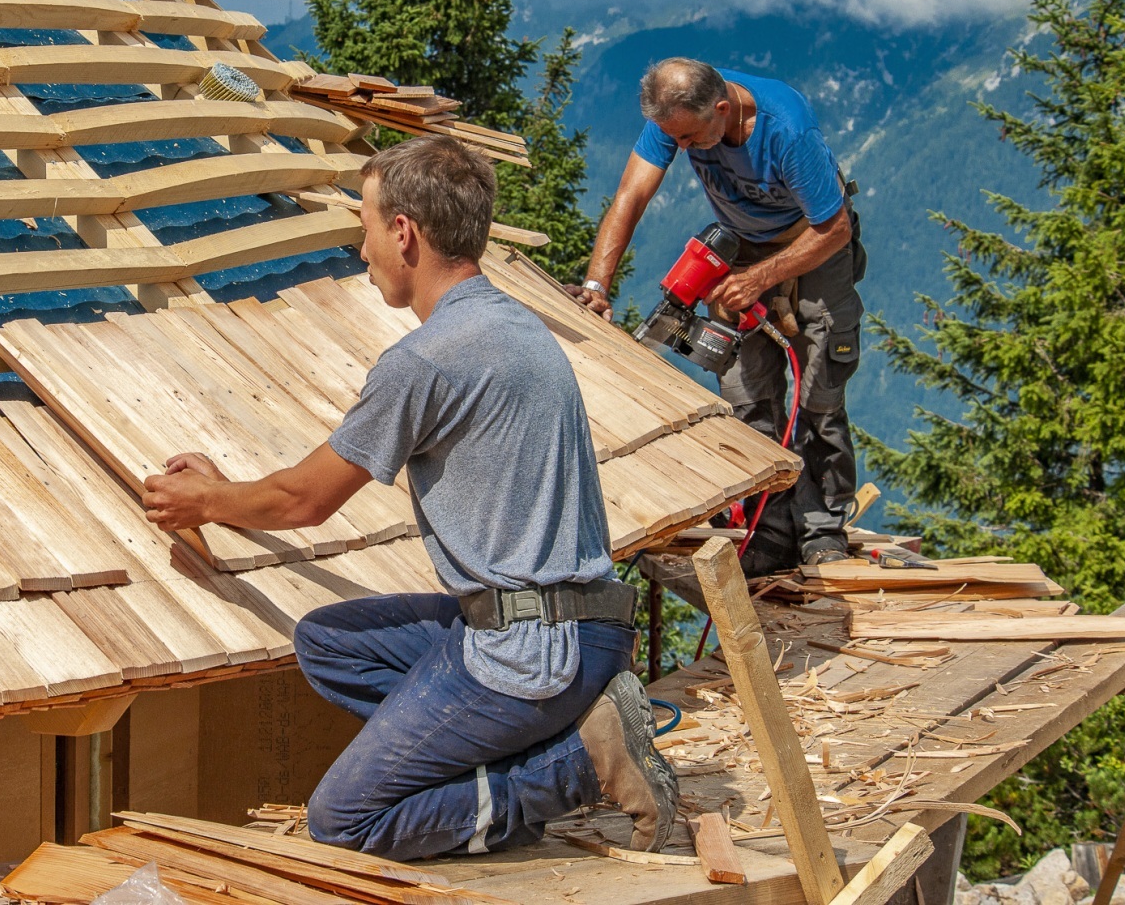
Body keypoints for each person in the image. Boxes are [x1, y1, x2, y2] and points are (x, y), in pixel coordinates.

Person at [142, 135, 678, 861]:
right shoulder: (517, 323)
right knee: (329, 643)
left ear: (404, 232)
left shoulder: (426, 360)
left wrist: (204, 503)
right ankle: (517, 757)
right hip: (587, 627)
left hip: (528, 650)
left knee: (345, 820)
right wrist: (222, 488)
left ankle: (574, 765)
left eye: (365, 226)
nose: (361, 250)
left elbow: (305, 500)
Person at [570, 57, 864, 573]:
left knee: (818, 396)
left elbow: (834, 228)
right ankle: (766, 533)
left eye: (689, 138)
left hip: (814, 247)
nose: (679, 149)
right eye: (673, 138)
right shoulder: (676, 115)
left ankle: (822, 532)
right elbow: (631, 194)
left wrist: (759, 279)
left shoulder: (787, 131)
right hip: (743, 244)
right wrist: (597, 285)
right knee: (746, 395)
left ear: (722, 109)